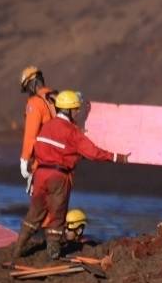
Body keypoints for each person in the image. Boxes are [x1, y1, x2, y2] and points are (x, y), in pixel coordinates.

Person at [10, 90, 128, 261]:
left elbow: (41, 147)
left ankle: (17, 250)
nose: (78, 112)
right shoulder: (72, 131)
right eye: (76, 109)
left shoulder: (47, 126)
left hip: (40, 174)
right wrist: (117, 157)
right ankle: (53, 253)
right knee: (57, 214)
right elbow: (93, 153)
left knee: (34, 212)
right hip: (58, 176)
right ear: (70, 110)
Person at [18, 65, 57, 196]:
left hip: (43, 164)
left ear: (32, 83)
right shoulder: (58, 98)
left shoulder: (34, 103)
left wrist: (24, 159)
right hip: (63, 166)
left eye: (27, 88)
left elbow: (31, 134)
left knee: (40, 205)